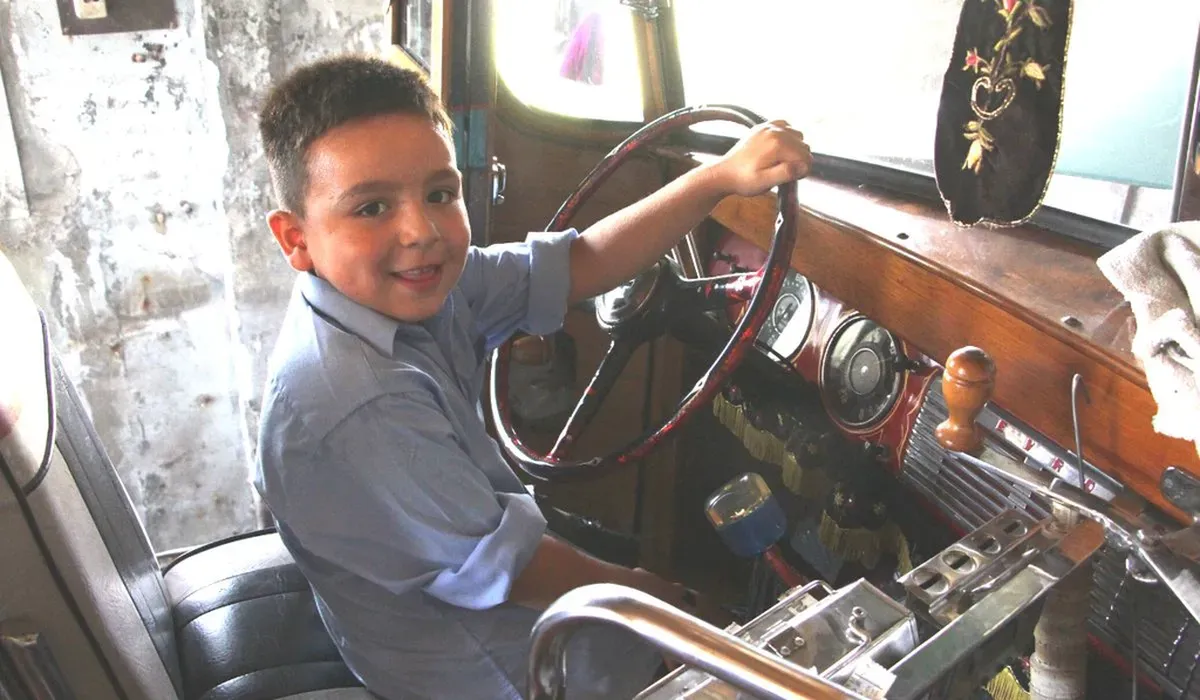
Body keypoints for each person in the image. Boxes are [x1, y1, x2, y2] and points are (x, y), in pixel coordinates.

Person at [254, 54, 811, 700]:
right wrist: (668, 605)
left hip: (482, 581)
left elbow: (579, 264)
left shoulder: (415, 287)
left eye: (440, 193)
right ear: (295, 240)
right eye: (372, 208)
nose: (422, 232)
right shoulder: (352, 403)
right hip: (491, 670)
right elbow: (511, 571)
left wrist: (716, 179)